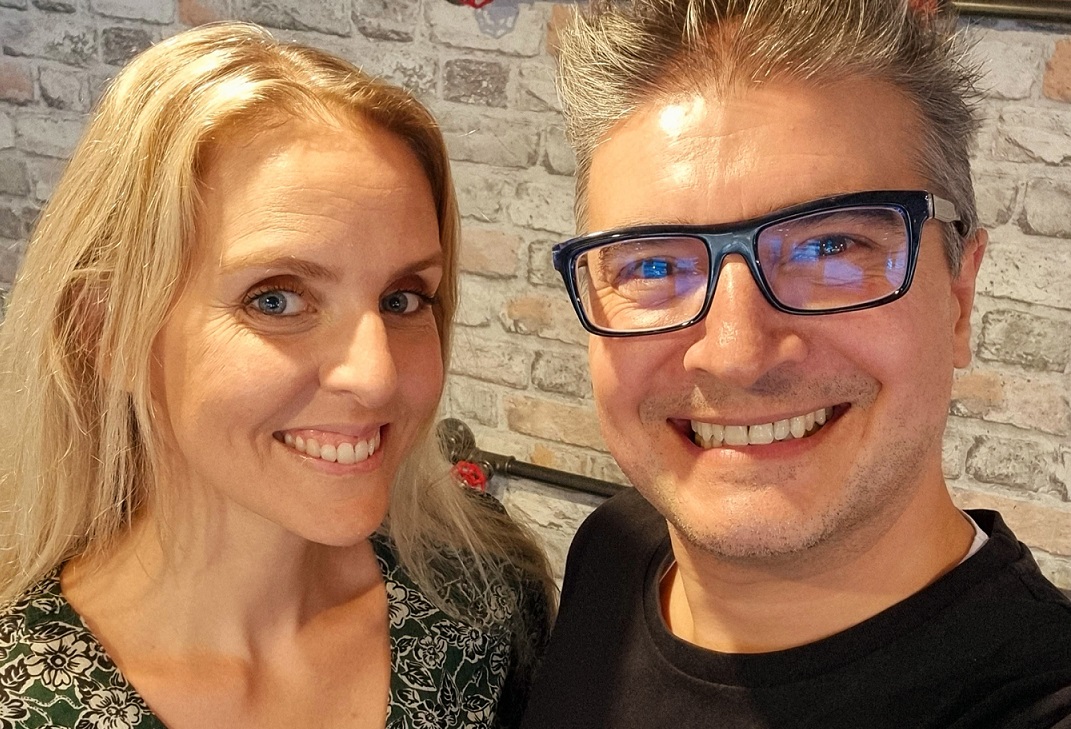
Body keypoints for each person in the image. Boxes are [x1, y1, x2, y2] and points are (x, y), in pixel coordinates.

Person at [521, 1, 1071, 727]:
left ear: (959, 299)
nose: (735, 355)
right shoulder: (617, 548)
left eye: (829, 248)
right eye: (653, 265)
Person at [0, 22, 554, 729]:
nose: (377, 376)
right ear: (106, 332)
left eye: (402, 299)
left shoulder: (483, 603)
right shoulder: (27, 698)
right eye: (276, 300)